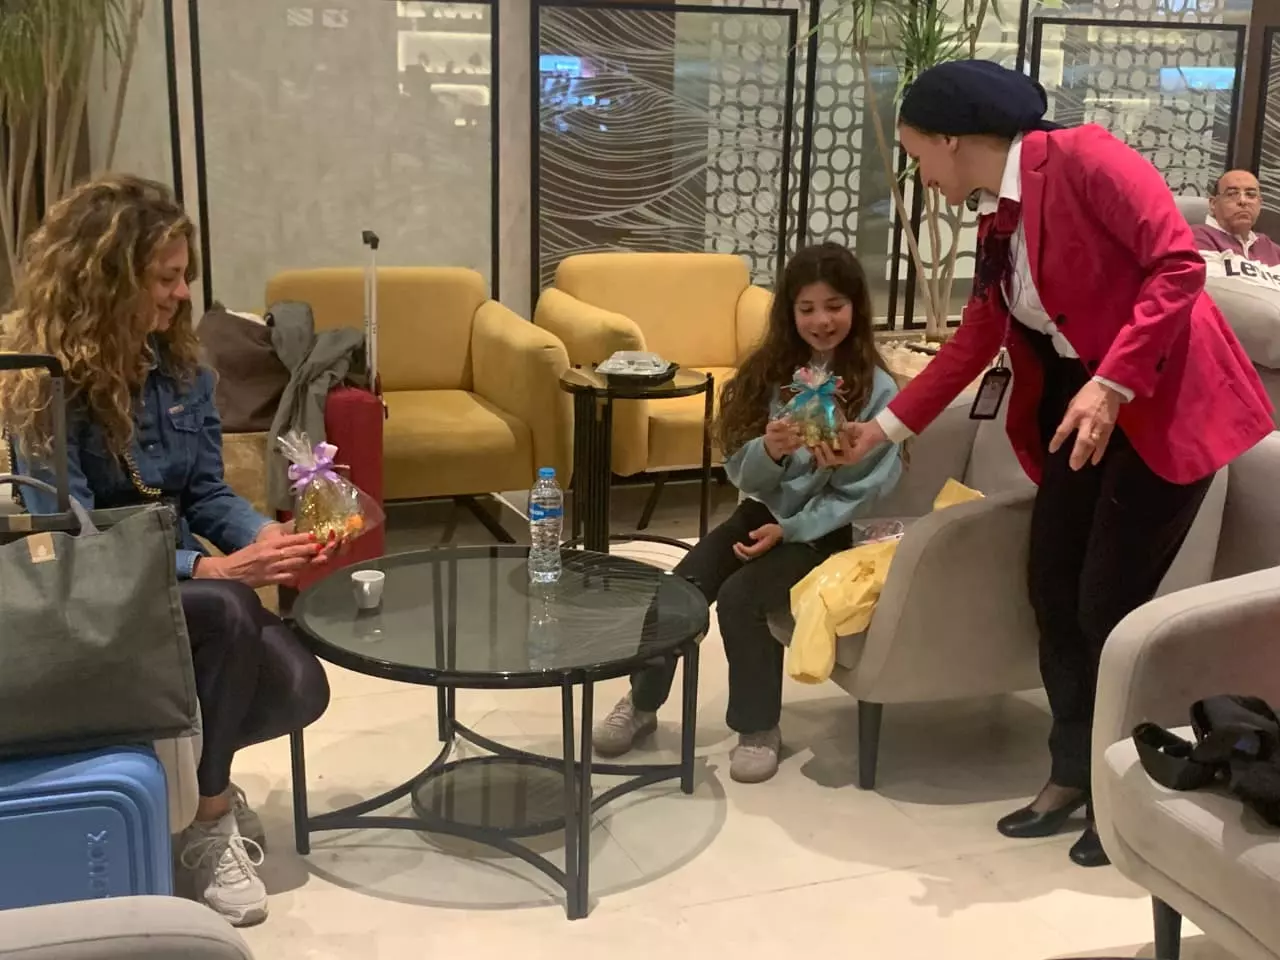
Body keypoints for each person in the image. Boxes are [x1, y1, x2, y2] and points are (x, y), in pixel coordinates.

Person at [841, 60, 1272, 867]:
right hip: (1082, 407)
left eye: (918, 155)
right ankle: (1070, 773)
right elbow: (979, 333)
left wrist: (1113, 384)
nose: (922, 175)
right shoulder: (998, 215)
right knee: (1051, 586)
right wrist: (889, 428)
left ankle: (1121, 795)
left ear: (952, 138)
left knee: (1108, 606)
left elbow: (1177, 266)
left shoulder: (1086, 158)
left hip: (1158, 402)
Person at [0, 175, 333, 926]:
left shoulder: (182, 368)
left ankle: (197, 776)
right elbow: (69, 531)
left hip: (183, 586)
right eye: (165, 278)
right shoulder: (43, 383)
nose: (183, 295)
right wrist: (205, 567)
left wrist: (261, 534)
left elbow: (206, 493)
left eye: (184, 276)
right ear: (106, 279)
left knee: (299, 687)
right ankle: (208, 820)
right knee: (227, 607)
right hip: (97, 597)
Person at [592, 242, 903, 784]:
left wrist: (791, 529)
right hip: (761, 511)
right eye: (807, 308)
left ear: (856, 307)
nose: (822, 321)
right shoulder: (770, 375)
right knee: (681, 587)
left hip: (826, 531)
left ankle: (758, 728)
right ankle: (640, 704)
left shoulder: (878, 392)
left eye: (834, 306)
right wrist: (770, 451)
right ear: (789, 312)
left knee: (743, 598)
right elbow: (741, 473)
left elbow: (861, 493)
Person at [1192, 170, 1280, 291]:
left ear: (1260, 204)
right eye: (1232, 194)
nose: (1243, 201)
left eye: (1251, 195)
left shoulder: (1270, 248)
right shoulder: (1196, 237)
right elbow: (1214, 291)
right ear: (1213, 204)